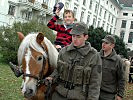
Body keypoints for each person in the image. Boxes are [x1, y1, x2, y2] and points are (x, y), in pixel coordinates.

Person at [46, 22, 102, 100]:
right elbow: (58, 70)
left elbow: (95, 83)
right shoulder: (64, 51)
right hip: (59, 95)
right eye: (73, 36)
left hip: (78, 97)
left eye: (78, 36)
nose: (74, 39)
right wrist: (51, 77)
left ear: (86, 37)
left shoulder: (93, 56)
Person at [99, 35, 126, 100]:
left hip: (108, 95)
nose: (103, 44)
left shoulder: (117, 60)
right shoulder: (96, 56)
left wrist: (120, 95)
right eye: (103, 42)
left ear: (112, 45)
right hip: (94, 92)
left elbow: (121, 78)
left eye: (106, 43)